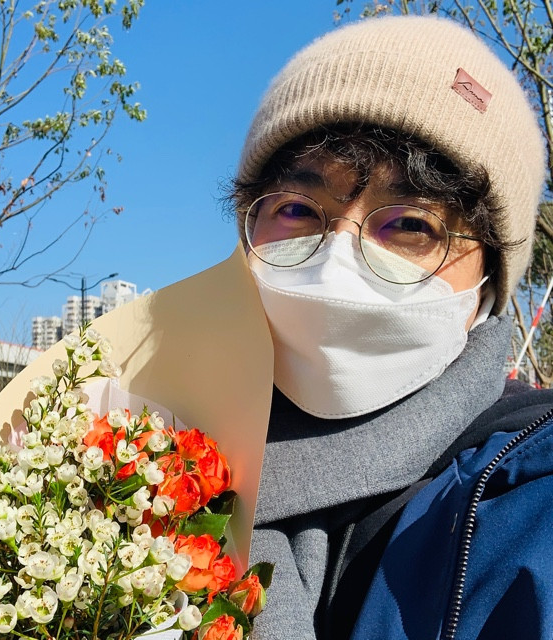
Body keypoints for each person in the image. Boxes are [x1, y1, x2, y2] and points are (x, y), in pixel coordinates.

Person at [228, 15, 553, 640]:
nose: (337, 258)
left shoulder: (528, 507)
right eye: (296, 209)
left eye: (410, 225)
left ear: (489, 282)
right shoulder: (126, 454)